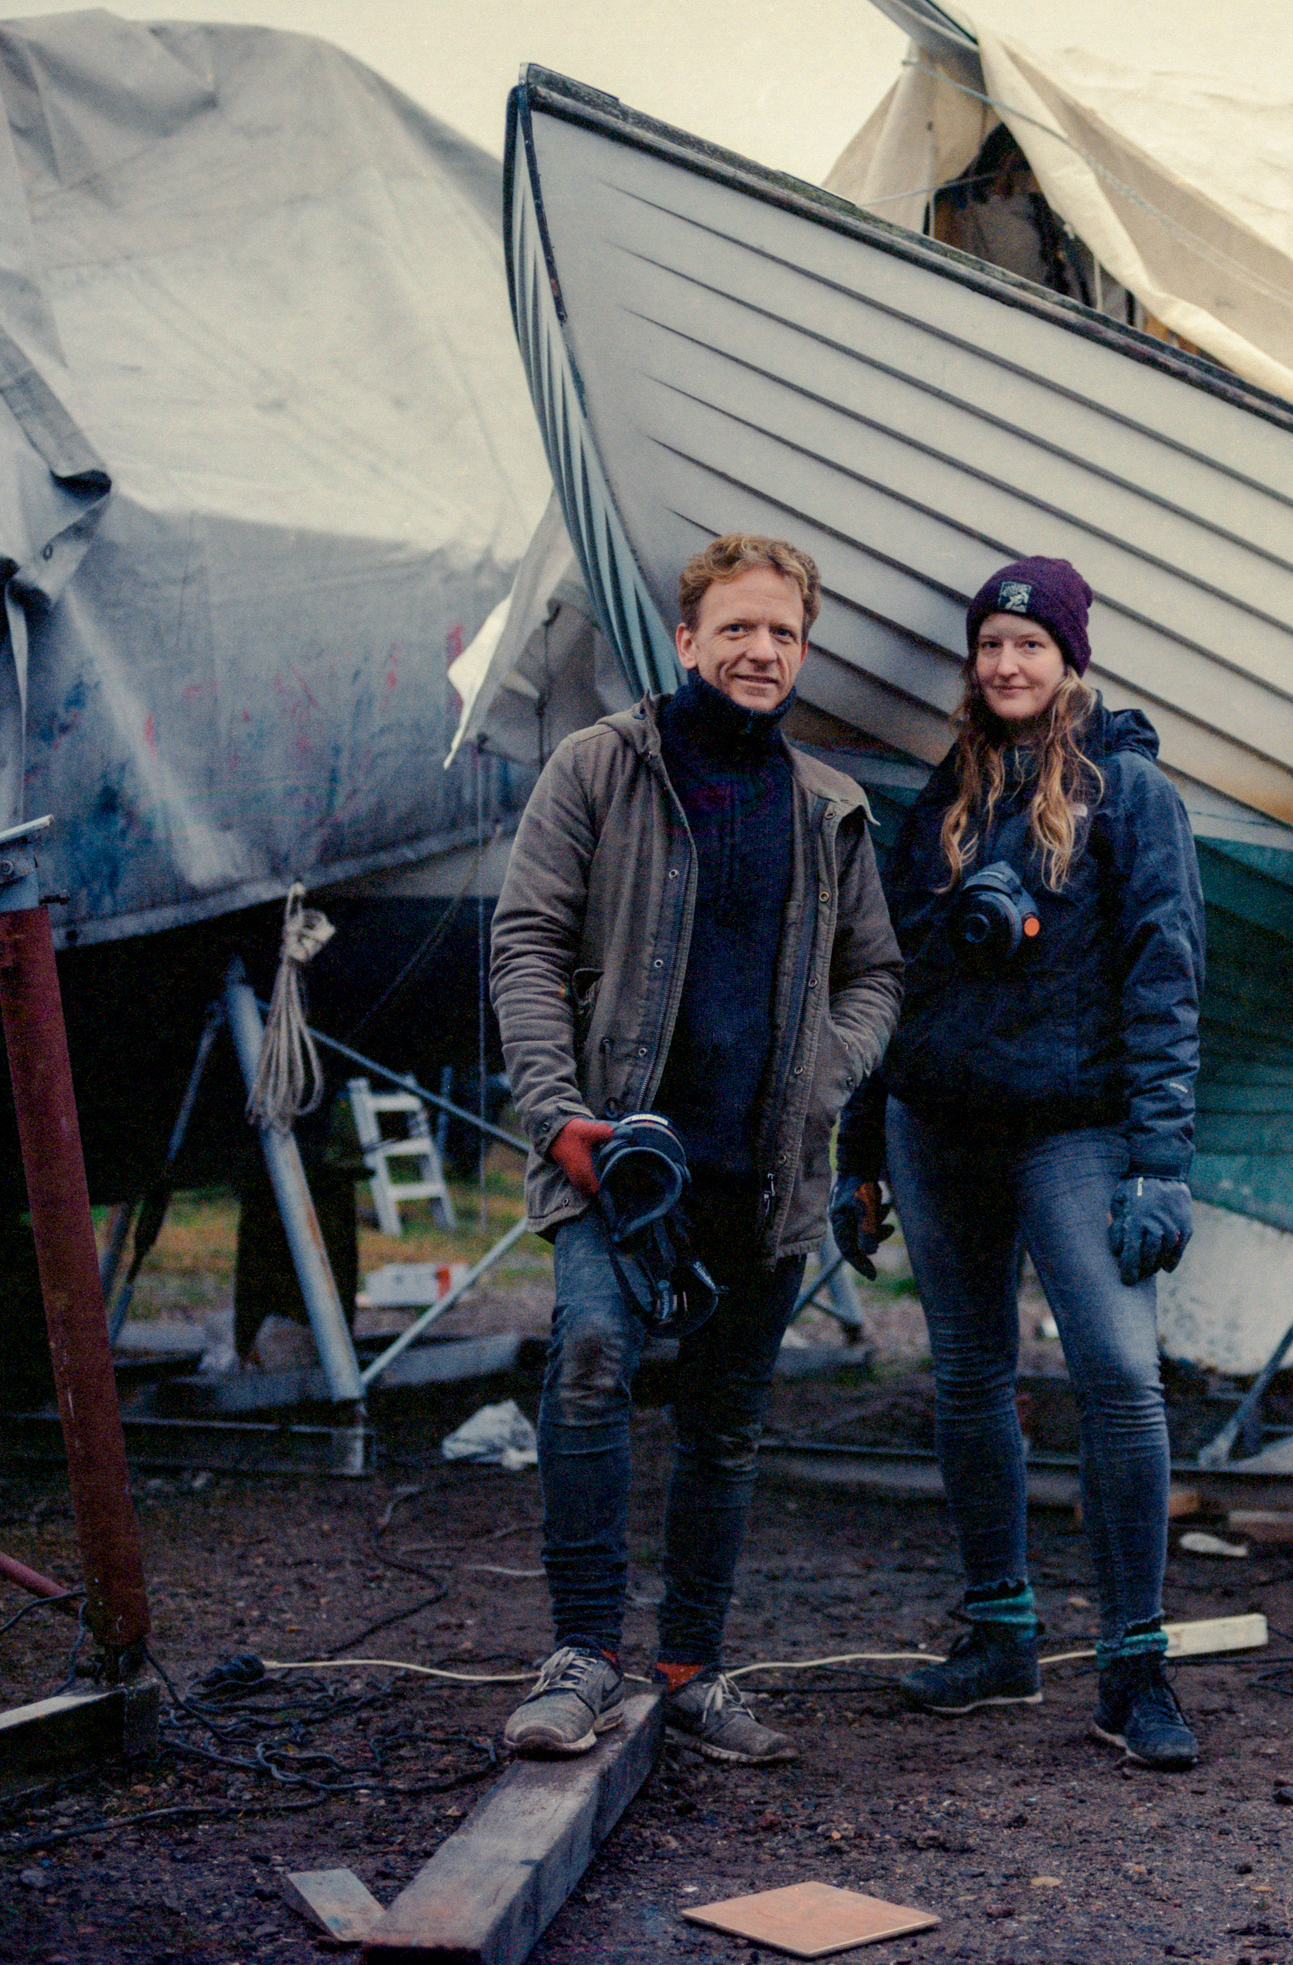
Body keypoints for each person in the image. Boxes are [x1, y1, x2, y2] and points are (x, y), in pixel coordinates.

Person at [490, 532, 902, 1762]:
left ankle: (689, 1669)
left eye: (781, 631)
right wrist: (559, 1114)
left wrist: (821, 1074)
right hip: (612, 1159)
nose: (760, 649)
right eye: (736, 627)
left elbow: (877, 972)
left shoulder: (828, 806)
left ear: (801, 650)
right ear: (685, 641)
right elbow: (523, 945)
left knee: (724, 1424)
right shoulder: (599, 768)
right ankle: (579, 1657)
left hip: (762, 1171)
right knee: (594, 1358)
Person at [837, 555, 1206, 1768]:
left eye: (1029, 645)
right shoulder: (941, 796)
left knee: (1117, 1375)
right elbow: (883, 982)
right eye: (990, 645)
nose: (1006, 664)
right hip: (935, 1125)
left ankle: (1134, 1669)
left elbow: (1166, 978)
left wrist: (1160, 1161)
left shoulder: (1131, 793)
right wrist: (858, 1153)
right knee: (968, 1377)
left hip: (1074, 1129)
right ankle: (999, 1638)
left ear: (1071, 659)